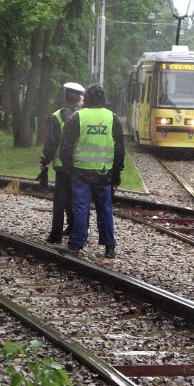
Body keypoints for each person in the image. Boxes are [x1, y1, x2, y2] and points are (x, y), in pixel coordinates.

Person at [55, 83, 124, 259]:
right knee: (105, 209)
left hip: (81, 172)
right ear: (103, 99)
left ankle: (76, 244)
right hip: (104, 173)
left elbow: (66, 147)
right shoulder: (113, 118)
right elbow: (119, 149)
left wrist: (69, 168)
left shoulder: (78, 117)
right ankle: (109, 246)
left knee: (81, 208)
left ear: (86, 98)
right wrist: (116, 172)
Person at [40, 82, 85, 243]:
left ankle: (56, 234)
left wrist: (44, 161)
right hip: (80, 165)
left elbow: (51, 142)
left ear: (64, 96)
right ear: (79, 98)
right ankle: (77, 230)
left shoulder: (57, 116)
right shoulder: (85, 115)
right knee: (78, 200)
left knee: (60, 200)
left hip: (61, 166)